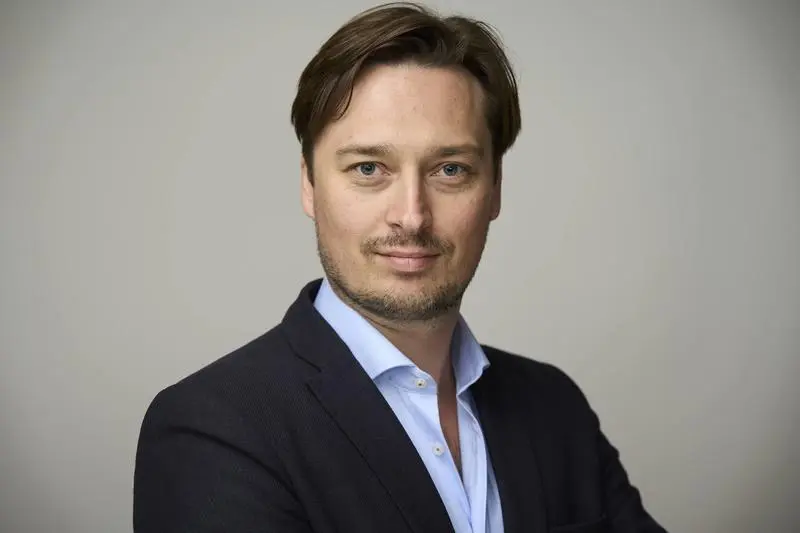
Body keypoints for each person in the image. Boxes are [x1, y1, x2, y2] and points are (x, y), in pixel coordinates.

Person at [133, 3, 667, 532]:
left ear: (495, 189)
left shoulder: (554, 407)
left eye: (450, 169)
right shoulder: (213, 429)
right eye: (369, 168)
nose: (411, 216)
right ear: (309, 185)